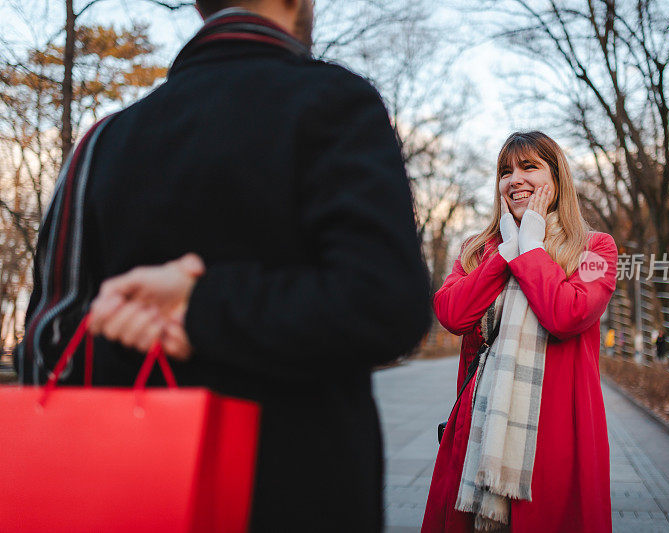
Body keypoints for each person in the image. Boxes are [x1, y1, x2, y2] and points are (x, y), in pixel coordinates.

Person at [17, 1, 431, 531]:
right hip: (308, 499)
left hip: (135, 500)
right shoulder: (336, 104)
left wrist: (137, 328)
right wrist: (196, 308)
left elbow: (49, 347)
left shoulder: (103, 142)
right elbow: (386, 304)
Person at [422, 131, 617, 532]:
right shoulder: (478, 250)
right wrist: (504, 255)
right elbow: (452, 313)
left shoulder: (595, 249)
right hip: (477, 429)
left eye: (530, 167)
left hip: (557, 436)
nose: (515, 179)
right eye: (506, 171)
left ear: (557, 179)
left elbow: (567, 314)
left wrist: (531, 247)